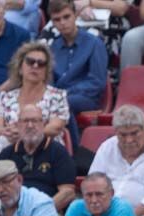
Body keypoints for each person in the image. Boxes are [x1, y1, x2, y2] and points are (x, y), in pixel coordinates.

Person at [0, 41, 70, 174]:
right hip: (10, 145)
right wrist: (6, 131)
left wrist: (23, 134)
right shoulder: (5, 97)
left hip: (45, 148)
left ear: (46, 71)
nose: (35, 66)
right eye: (30, 62)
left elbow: (56, 127)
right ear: (20, 68)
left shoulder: (58, 95)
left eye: (41, 64)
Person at [0, 102, 77, 212]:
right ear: (17, 125)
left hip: (46, 215)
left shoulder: (58, 152)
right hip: (11, 214)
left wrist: (41, 211)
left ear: (43, 124)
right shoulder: (7, 154)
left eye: (35, 121)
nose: (30, 125)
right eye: (25, 121)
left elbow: (67, 193)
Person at [88, 105, 144, 215]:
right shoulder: (107, 147)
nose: (129, 140)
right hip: (103, 213)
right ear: (116, 132)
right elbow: (93, 183)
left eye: (134, 133)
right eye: (123, 135)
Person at [48, 0, 107, 146]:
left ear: (75, 15)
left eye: (66, 17)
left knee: (65, 104)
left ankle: (74, 152)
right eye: (57, 19)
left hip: (87, 98)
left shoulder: (94, 43)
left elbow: (97, 82)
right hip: (58, 98)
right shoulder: (53, 47)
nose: (62, 23)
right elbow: (49, 81)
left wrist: (64, 94)